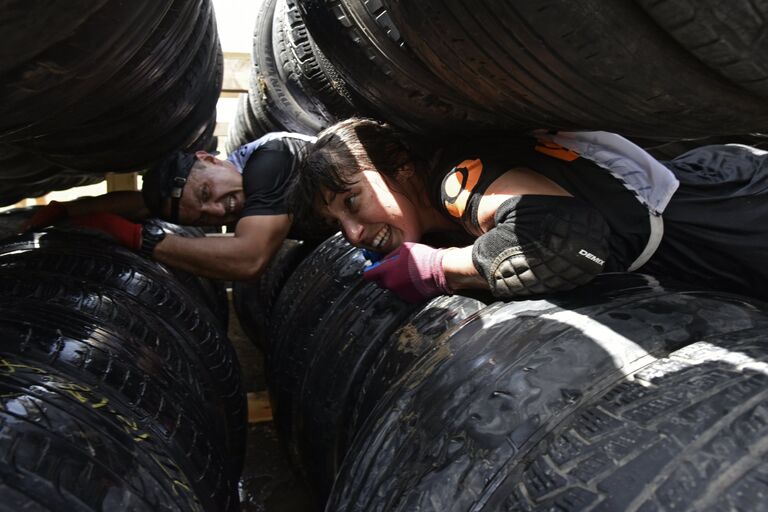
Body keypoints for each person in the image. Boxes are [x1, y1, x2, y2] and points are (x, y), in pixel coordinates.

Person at [290, 117, 768, 303]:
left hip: (733, 212)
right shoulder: (439, 206)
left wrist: (440, 268)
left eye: (353, 201)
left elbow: (561, 240)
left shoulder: (453, 178)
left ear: (398, 165)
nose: (352, 233)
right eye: (338, 223)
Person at [23, 132, 318, 281]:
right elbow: (140, 203)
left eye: (206, 193)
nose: (217, 212)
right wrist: (65, 210)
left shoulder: (271, 160)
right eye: (203, 219)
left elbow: (249, 259)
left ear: (208, 158)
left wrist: (143, 240)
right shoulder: (232, 178)